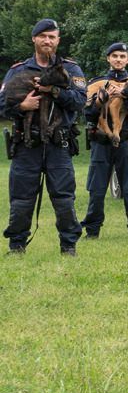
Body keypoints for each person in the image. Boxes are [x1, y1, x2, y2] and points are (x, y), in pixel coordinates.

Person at [0, 19, 86, 255]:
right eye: (43, 36)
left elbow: (80, 102)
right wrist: (23, 106)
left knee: (64, 198)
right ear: (34, 39)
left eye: (52, 37)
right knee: (21, 198)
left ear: (58, 40)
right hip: (27, 145)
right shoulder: (18, 70)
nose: (47, 41)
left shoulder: (71, 70)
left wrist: (54, 91)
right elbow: (2, 106)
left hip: (59, 144)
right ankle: (16, 246)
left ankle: (69, 246)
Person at [81, 43, 128, 240]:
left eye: (122, 56)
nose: (118, 59)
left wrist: (126, 96)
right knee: (97, 189)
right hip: (101, 143)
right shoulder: (97, 83)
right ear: (108, 58)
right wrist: (101, 101)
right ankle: (92, 232)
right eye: (115, 56)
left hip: (126, 142)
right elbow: (88, 114)